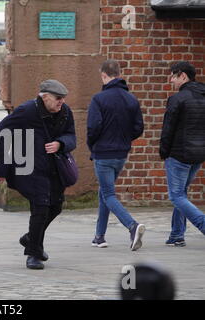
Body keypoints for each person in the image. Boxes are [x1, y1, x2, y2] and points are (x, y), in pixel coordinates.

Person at [0, 79, 76, 270]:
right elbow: (2, 131)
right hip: (31, 170)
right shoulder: (27, 111)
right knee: (40, 208)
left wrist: (61, 144)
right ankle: (33, 254)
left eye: (63, 99)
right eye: (58, 98)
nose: (61, 102)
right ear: (44, 97)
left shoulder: (65, 112)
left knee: (55, 207)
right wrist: (1, 169)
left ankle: (30, 238)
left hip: (56, 169)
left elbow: (72, 136)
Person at [87, 59, 145, 251]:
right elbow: (138, 128)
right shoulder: (131, 99)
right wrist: (124, 139)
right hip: (121, 154)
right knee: (104, 191)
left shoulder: (98, 99)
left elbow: (93, 127)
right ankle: (99, 236)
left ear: (104, 75)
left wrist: (92, 144)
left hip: (103, 153)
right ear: (119, 75)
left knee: (109, 194)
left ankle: (132, 226)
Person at [160, 61, 205, 246]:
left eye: (173, 76)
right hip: (198, 155)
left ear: (183, 76)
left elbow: (168, 129)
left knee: (176, 195)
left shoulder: (177, 99)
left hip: (178, 155)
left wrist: (164, 151)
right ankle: (177, 235)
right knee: (182, 194)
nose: (171, 80)